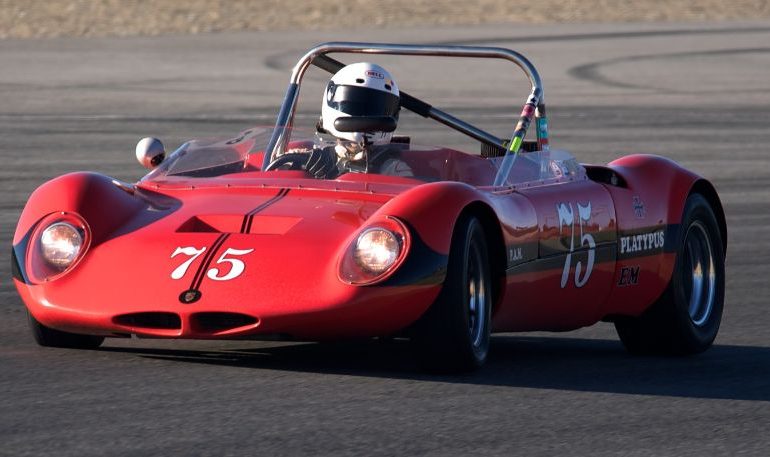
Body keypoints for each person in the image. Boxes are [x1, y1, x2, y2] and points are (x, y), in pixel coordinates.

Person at [305, 62, 412, 179]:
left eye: (375, 109)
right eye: (355, 106)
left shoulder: (393, 170)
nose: (364, 119)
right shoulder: (311, 159)